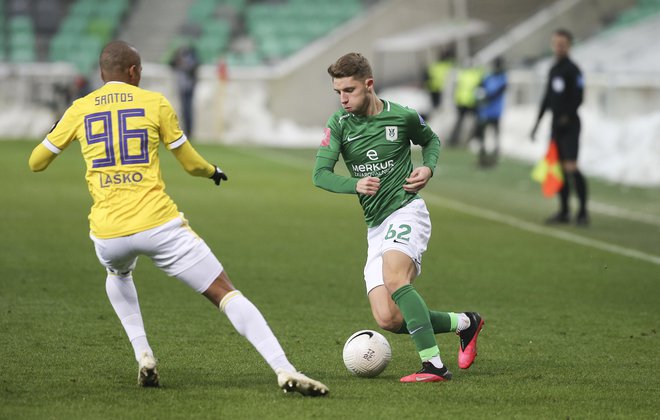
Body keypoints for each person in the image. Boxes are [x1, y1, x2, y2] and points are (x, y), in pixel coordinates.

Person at [28, 40, 328, 396]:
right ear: (134, 72)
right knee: (225, 292)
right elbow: (191, 164)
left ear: (100, 73)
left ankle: (144, 355)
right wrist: (213, 171)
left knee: (118, 272)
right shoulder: (155, 103)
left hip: (108, 232)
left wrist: (59, 133)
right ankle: (284, 369)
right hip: (158, 224)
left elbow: (36, 162)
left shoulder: (79, 108)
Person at [313, 52, 484, 383]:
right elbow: (320, 174)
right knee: (388, 318)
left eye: (349, 90)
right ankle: (467, 323)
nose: (343, 99)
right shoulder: (339, 124)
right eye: (338, 92)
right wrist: (354, 184)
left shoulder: (402, 116)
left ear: (369, 85)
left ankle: (433, 364)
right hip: (375, 226)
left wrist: (428, 167)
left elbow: (430, 140)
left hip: (407, 210)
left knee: (395, 279)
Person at [531, 29, 589, 226]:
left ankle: (582, 211)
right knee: (558, 168)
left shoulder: (573, 70)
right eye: (556, 43)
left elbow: (579, 97)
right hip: (555, 125)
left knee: (571, 167)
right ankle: (564, 211)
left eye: (563, 44)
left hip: (571, 125)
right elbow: (547, 98)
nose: (559, 47)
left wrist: (566, 116)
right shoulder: (554, 69)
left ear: (569, 46)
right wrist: (537, 123)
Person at [474, 57, 507, 167]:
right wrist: (479, 95)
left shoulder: (503, 78)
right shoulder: (487, 77)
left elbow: (498, 92)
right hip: (485, 112)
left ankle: (494, 159)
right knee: (482, 135)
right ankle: (482, 158)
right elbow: (479, 86)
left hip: (496, 112)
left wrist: (486, 97)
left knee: (495, 136)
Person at [448, 62, 483, 146]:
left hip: (463, 102)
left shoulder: (462, 75)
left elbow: (456, 89)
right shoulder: (476, 75)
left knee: (460, 122)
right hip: (470, 102)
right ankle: (471, 139)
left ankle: (455, 140)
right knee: (473, 121)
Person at [169, 44, 199, 138]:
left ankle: (189, 132)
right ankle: (186, 131)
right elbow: (171, 64)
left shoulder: (192, 60)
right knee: (184, 111)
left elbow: (193, 69)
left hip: (189, 88)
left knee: (188, 111)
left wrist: (184, 65)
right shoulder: (178, 59)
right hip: (182, 87)